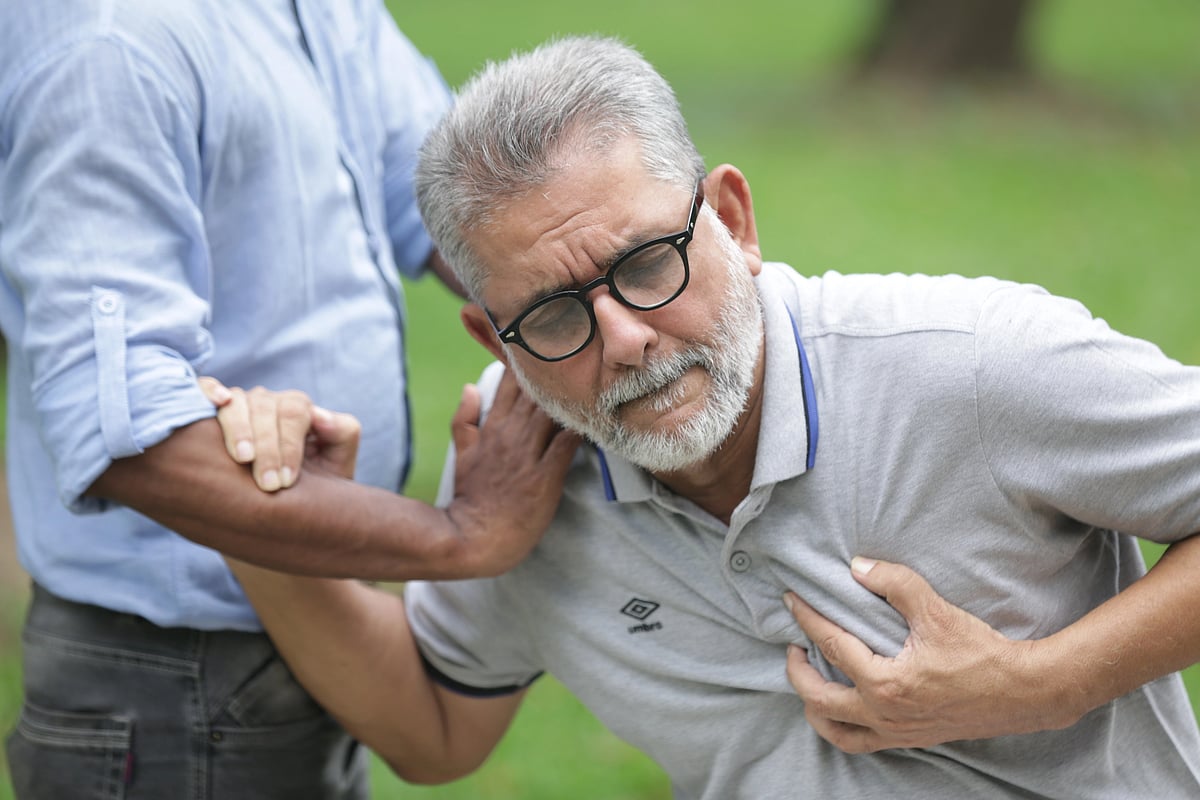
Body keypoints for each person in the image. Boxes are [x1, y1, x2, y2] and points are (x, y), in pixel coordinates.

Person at [213, 35, 1200, 798]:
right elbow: (436, 726)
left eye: (648, 263)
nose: (627, 339)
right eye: (554, 316)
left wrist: (1047, 681)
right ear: (493, 339)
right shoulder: (516, 469)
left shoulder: (969, 360)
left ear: (732, 218)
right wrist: (265, 516)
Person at [0, 2, 575, 797]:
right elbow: (125, 432)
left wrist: (612, 319)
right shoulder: (107, 40)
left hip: (318, 622)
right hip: (178, 681)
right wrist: (455, 538)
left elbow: (455, 204)